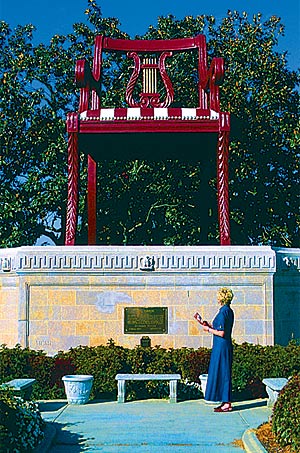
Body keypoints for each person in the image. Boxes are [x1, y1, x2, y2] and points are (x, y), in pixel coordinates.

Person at [194, 287, 234, 412]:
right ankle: (224, 401)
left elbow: (222, 332)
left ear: (221, 298)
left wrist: (208, 330)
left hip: (221, 346)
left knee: (224, 373)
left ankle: (226, 403)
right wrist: (208, 325)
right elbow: (221, 328)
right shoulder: (228, 311)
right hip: (223, 345)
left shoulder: (223, 312)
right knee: (223, 372)